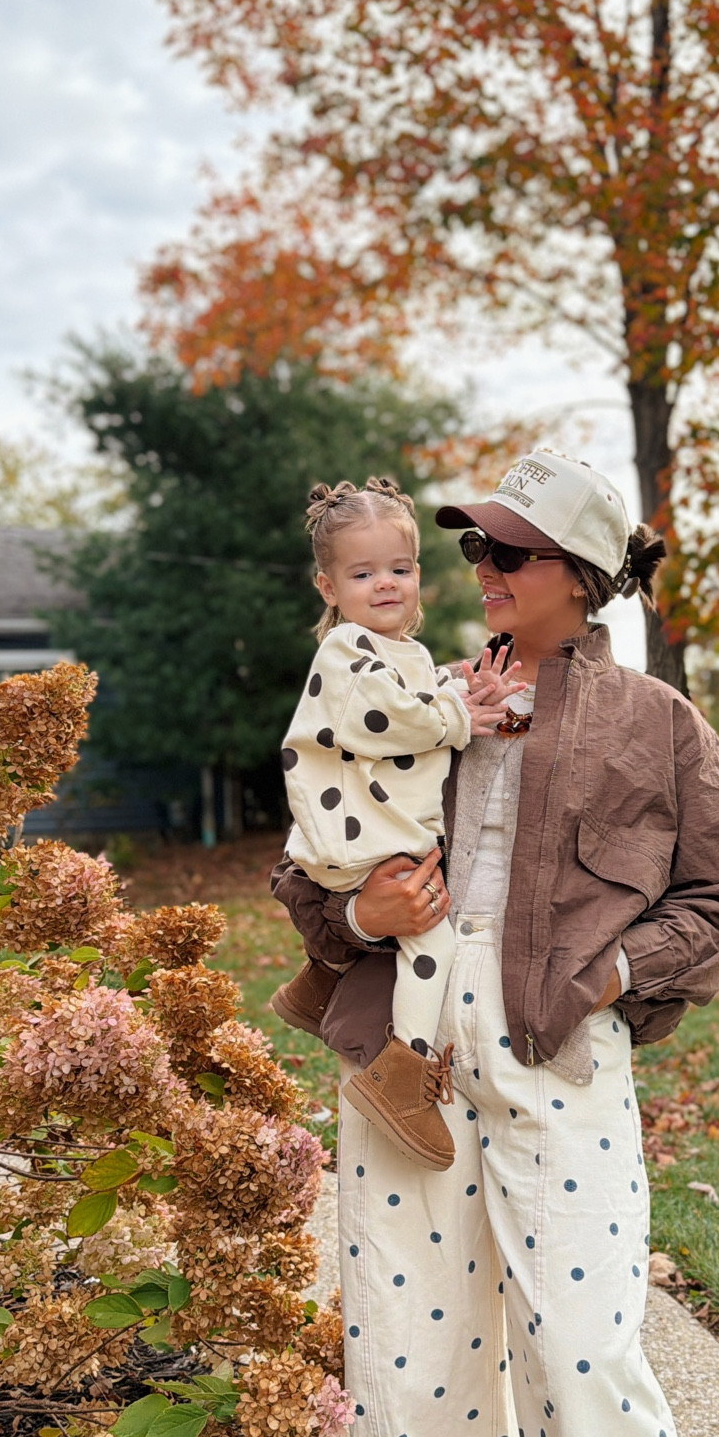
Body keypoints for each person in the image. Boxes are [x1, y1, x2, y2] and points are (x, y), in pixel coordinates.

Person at [271, 451, 719, 1437]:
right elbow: (307, 845)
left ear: (584, 576)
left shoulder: (657, 723)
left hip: (558, 1066)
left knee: (591, 1372)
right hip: (401, 1059)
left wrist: (609, 977)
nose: (478, 573)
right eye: (473, 550)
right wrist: (359, 920)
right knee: (410, 1360)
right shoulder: (395, 680)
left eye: (510, 553)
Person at [273, 477, 522, 1166]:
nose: (385, 584)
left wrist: (473, 694)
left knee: (400, 928)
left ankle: (316, 984)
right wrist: (456, 716)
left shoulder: (400, 653)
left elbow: (429, 694)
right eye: (363, 573)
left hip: (370, 828)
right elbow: (384, 716)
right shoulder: (344, 650)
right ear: (328, 588)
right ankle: (403, 1075)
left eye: (400, 569)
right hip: (362, 832)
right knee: (430, 945)